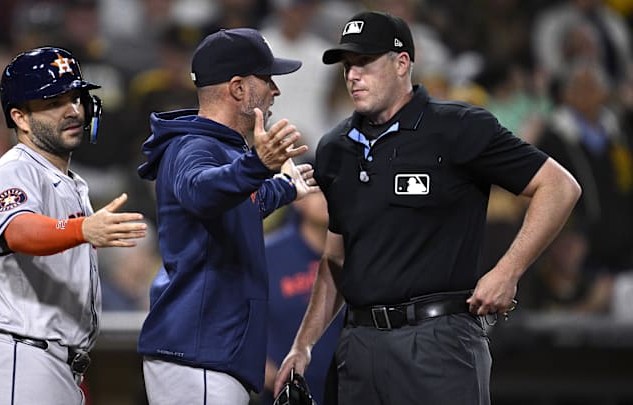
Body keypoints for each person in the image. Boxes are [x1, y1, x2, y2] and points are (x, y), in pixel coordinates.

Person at [274, 11, 582, 405]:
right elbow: (336, 260)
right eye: (348, 66)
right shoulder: (335, 149)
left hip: (439, 341)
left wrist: (508, 271)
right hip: (359, 343)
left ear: (402, 63)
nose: (352, 75)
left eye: (365, 62)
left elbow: (559, 186)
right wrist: (303, 345)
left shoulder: (456, 127)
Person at [136, 28, 318, 405]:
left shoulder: (220, 150)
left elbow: (235, 204)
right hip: (198, 351)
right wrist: (257, 164)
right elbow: (202, 192)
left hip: (209, 352)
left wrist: (283, 188)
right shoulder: (193, 146)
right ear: (238, 88)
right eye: (267, 79)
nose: (276, 90)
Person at [0, 46, 147, 405]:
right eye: (53, 102)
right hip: (21, 362)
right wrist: (82, 230)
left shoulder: (67, 181)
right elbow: (18, 231)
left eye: (76, 97)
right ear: (21, 118)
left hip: (51, 366)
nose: (73, 110)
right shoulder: (15, 169)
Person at [257, 187, 344, 405]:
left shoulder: (358, 252)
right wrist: (256, 365)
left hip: (348, 388)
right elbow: (232, 312)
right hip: (284, 394)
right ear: (297, 198)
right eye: (317, 190)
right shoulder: (268, 254)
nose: (327, 198)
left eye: (330, 188)